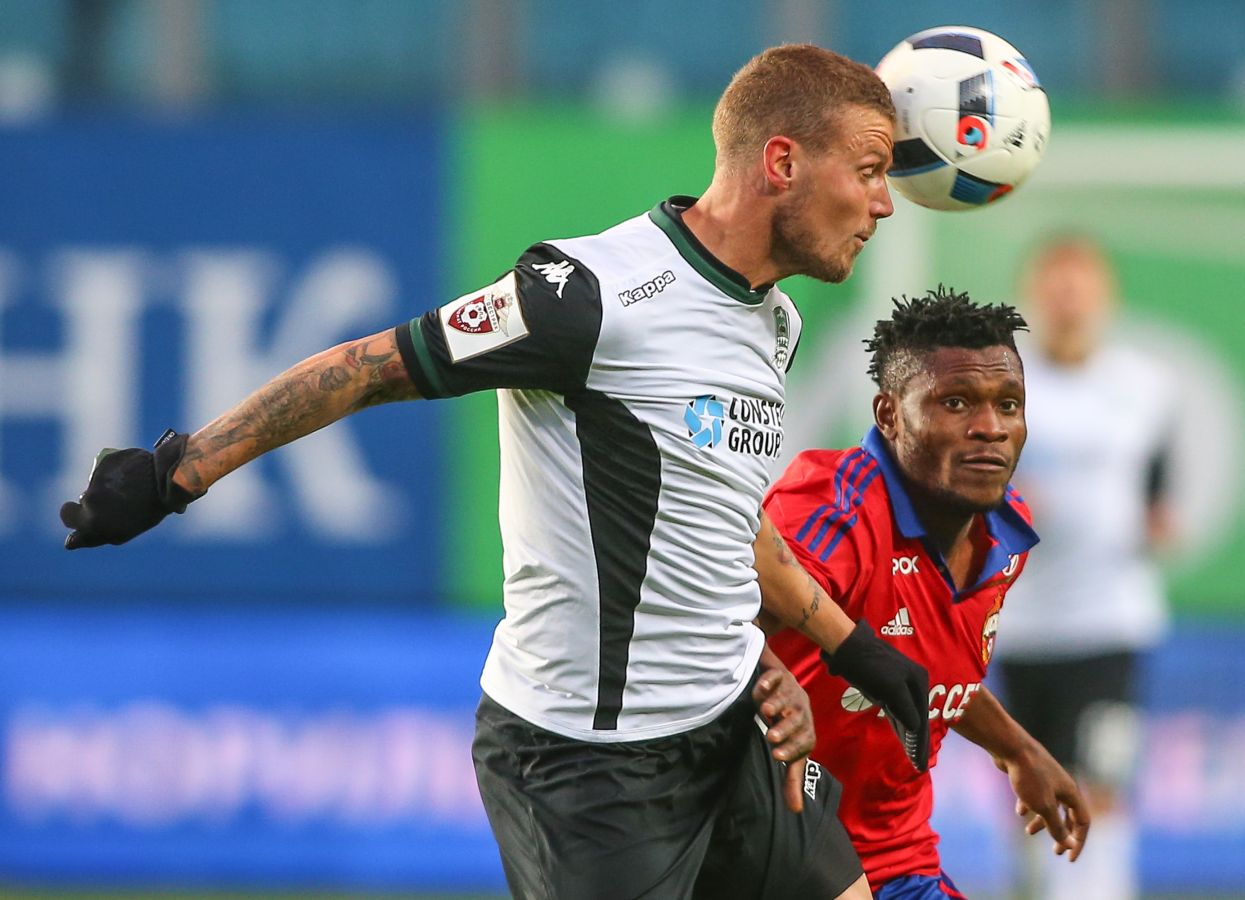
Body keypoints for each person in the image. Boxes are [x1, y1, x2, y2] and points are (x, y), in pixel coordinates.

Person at [57, 44, 934, 900]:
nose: (884, 204)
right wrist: (179, 472)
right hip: (593, 766)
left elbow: (721, 511)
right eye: (868, 171)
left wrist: (848, 645)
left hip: (734, 729)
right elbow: (367, 369)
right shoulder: (586, 295)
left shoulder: (774, 323)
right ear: (781, 162)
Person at [759, 287, 1090, 899]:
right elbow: (722, 621)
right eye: (956, 402)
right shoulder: (832, 510)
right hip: (777, 850)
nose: (990, 428)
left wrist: (1018, 749)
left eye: (1009, 404)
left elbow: (927, 668)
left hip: (898, 856)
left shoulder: (1006, 533)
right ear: (889, 415)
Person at [992, 234, 1174, 900]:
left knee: (1104, 781)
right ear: (1033, 294)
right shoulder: (1002, 388)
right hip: (1024, 626)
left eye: (1081, 283)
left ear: (1105, 295)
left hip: (1111, 624)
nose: (1068, 297)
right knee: (1032, 790)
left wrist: (1152, 526)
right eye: (1056, 283)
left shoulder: (1146, 387)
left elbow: (1159, 494)